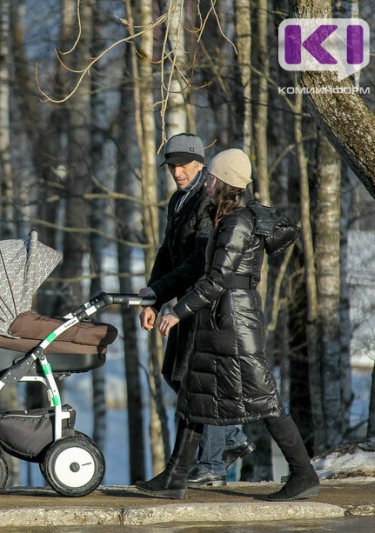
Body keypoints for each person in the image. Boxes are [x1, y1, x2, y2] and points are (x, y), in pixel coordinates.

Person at [135, 148, 319, 501]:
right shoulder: (224, 219)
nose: (207, 182)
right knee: (193, 394)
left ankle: (303, 475)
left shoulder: (238, 223)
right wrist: (156, 293)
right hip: (217, 320)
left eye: (213, 177)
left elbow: (218, 279)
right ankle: (174, 478)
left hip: (235, 324)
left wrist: (178, 311)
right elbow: (195, 269)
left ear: (224, 182)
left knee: (266, 401)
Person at [139, 133, 253, 486]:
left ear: (200, 164)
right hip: (178, 299)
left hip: (202, 302)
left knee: (198, 382)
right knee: (174, 374)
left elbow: (197, 263)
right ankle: (232, 437)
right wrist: (152, 299)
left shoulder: (209, 199)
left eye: (183, 165)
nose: (177, 172)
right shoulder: (177, 200)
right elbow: (166, 252)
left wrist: (165, 294)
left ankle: (212, 465)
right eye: (172, 166)